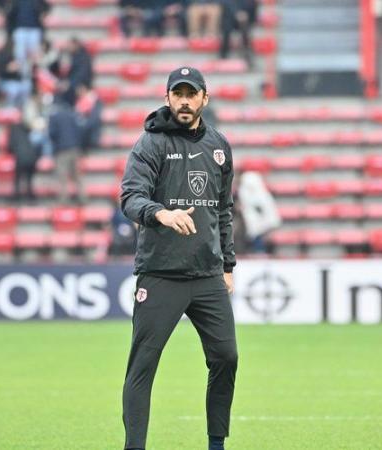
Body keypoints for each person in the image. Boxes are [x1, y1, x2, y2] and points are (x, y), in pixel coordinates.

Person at [120, 67, 237, 450]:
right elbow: (131, 197)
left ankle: (216, 443)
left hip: (206, 274)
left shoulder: (219, 145)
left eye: (192, 93)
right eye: (178, 94)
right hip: (161, 274)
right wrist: (161, 213)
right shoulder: (150, 143)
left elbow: (223, 210)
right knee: (143, 366)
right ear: (168, 98)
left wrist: (227, 265)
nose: (184, 101)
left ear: (205, 98)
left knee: (226, 358)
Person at [48, 95, 82, 203]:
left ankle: (64, 200)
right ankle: (83, 198)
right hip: (74, 148)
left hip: (62, 150)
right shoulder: (71, 114)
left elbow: (51, 133)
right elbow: (78, 130)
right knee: (77, 176)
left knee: (62, 177)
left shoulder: (54, 117)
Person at [219, 0, 257, 66]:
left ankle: (247, 54)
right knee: (226, 28)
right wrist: (236, 13)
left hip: (245, 20)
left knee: (245, 28)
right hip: (230, 18)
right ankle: (223, 55)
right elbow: (225, 4)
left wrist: (245, 14)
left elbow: (253, 7)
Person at [8, 122, 40, 201]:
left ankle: (17, 195)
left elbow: (10, 147)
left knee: (18, 177)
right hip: (32, 156)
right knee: (29, 178)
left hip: (21, 157)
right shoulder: (29, 131)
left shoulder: (14, 133)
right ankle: (30, 196)